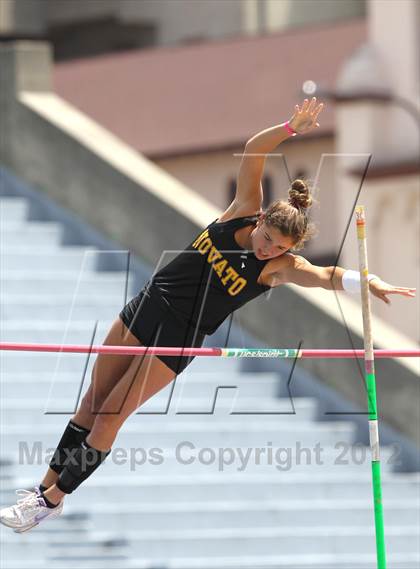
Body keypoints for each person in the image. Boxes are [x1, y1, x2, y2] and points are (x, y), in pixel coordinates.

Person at [1, 97, 415, 533]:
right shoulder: (242, 209)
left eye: (279, 248)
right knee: (90, 403)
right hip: (145, 306)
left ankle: (53, 499)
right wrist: (289, 130)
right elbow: (256, 150)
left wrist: (366, 282)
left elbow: (326, 274)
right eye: (268, 238)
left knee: (110, 417)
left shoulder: (279, 268)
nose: (268, 249)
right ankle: (44, 490)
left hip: (177, 338)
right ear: (261, 222)